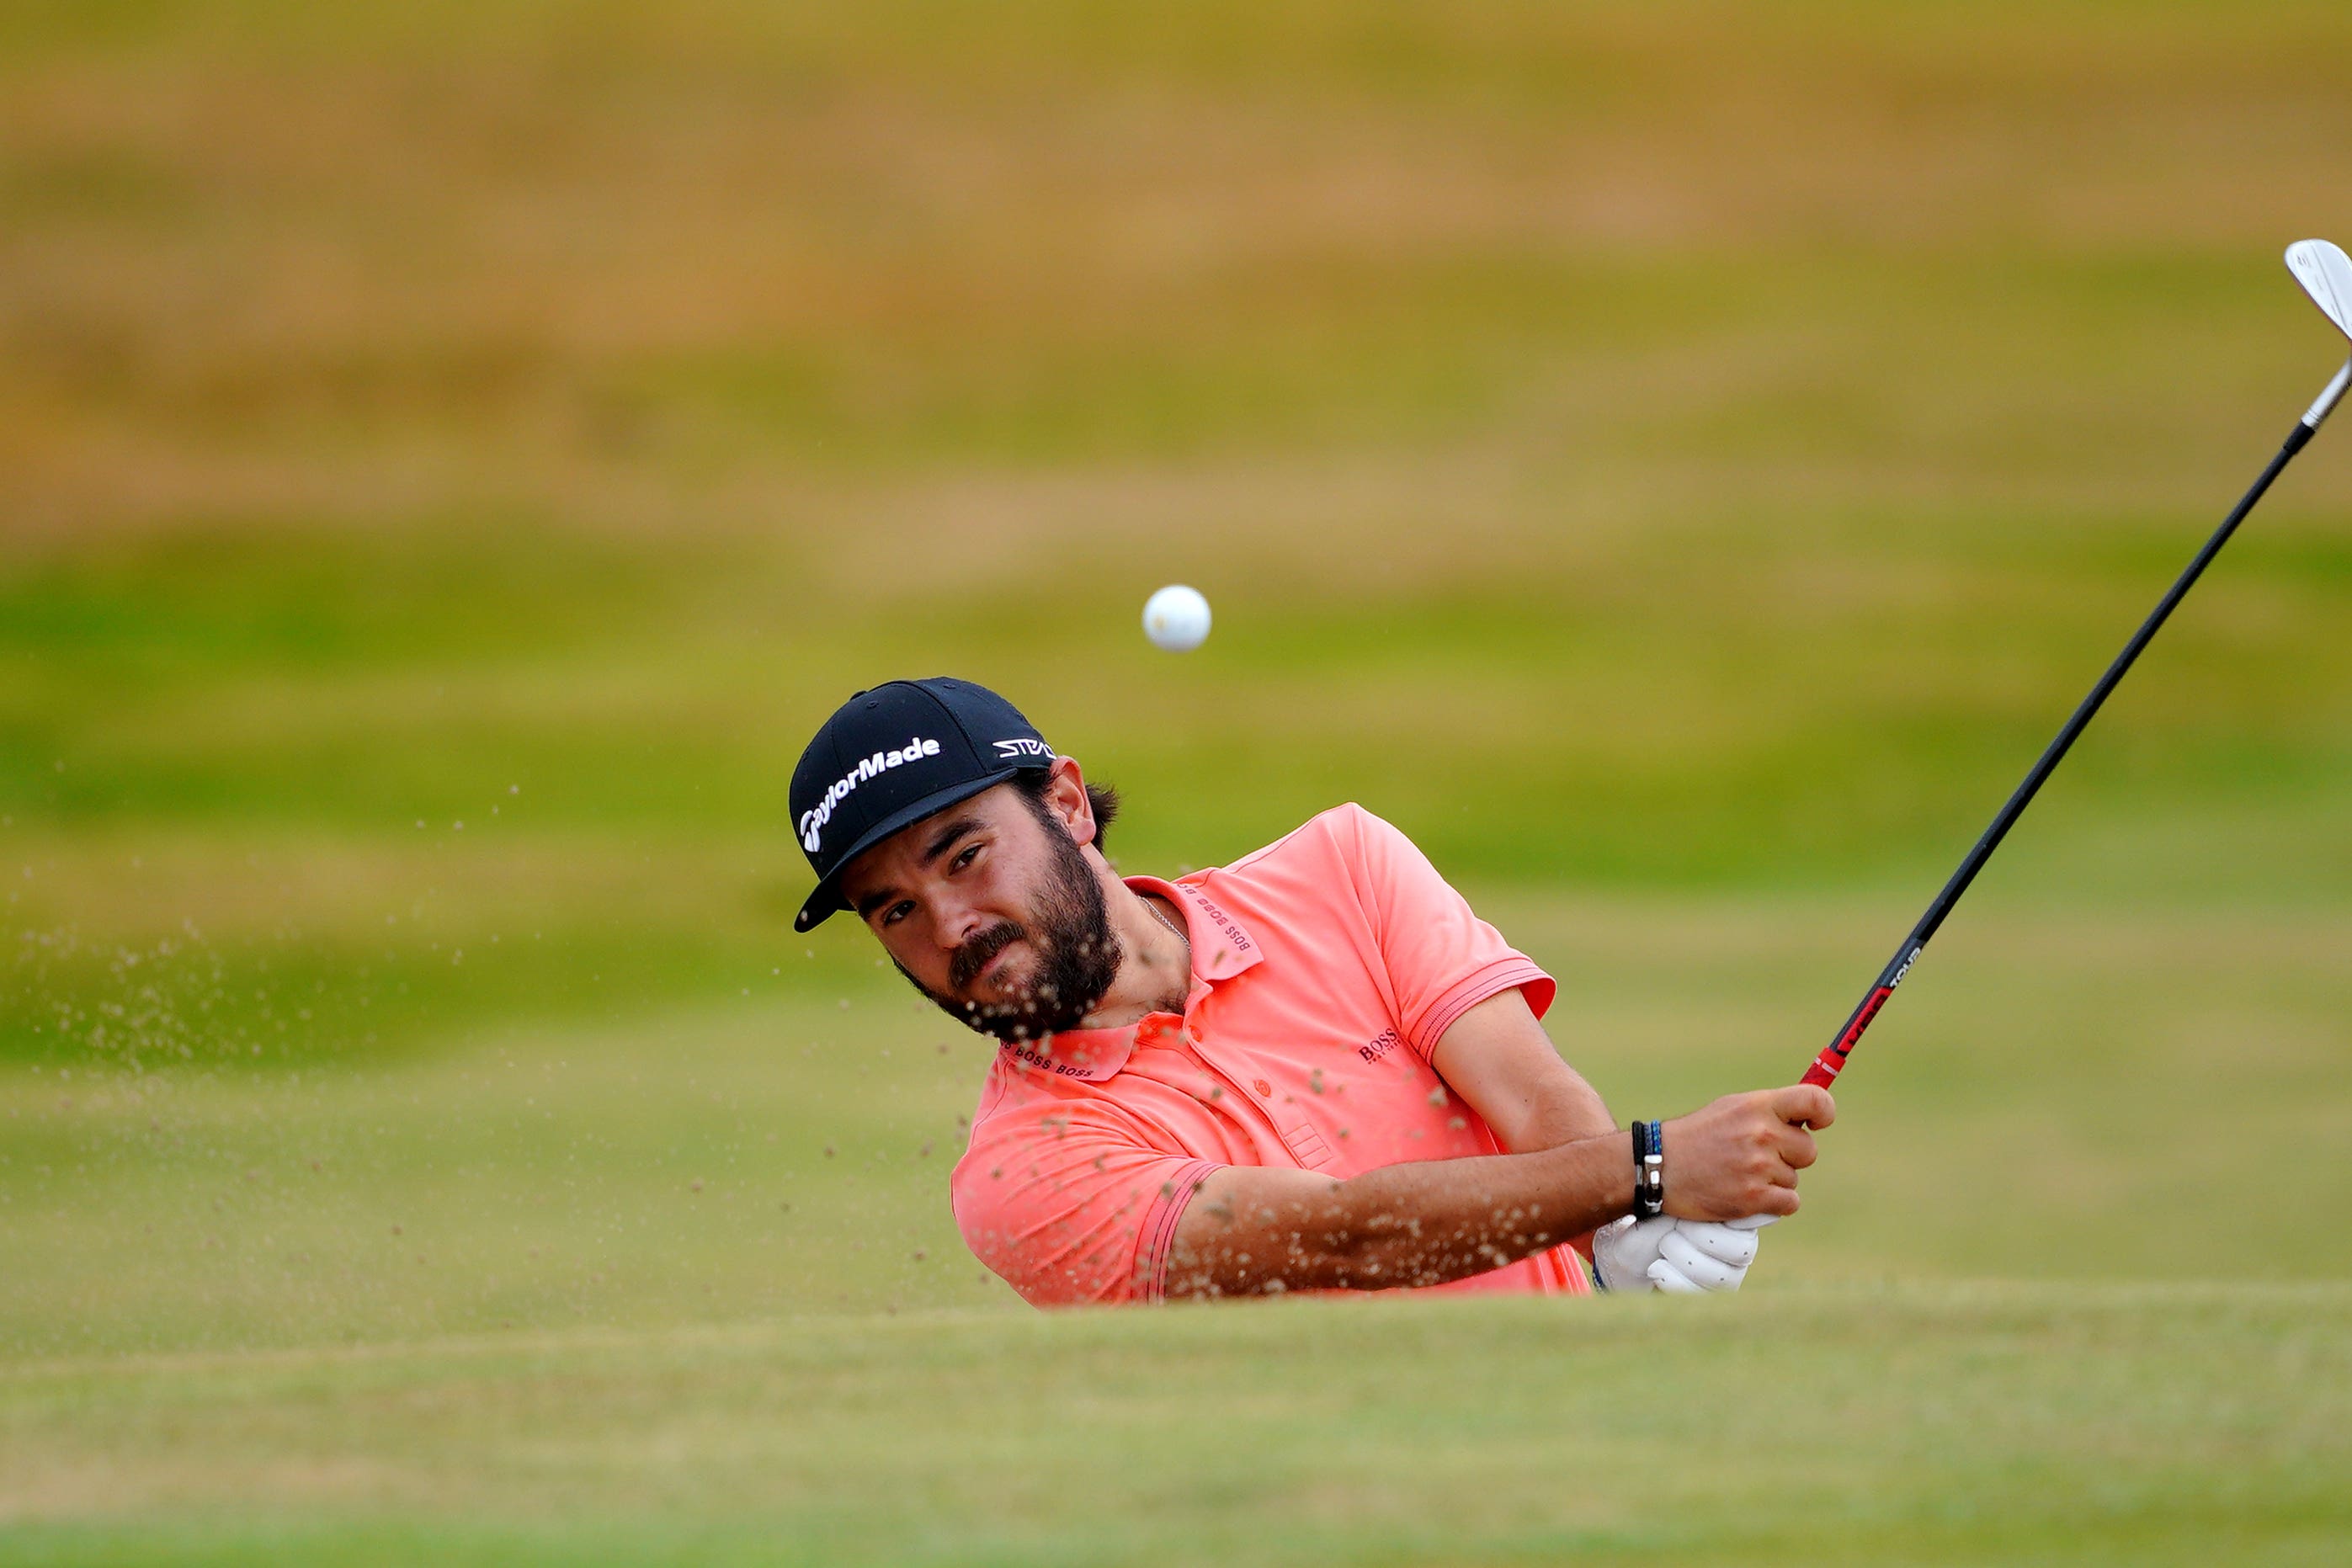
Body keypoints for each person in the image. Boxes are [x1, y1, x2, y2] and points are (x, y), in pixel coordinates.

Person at [791, 678, 1832, 1308]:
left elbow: (1531, 1100)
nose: (949, 926)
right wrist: (1648, 1172)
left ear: (1065, 806)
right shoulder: (1021, 1174)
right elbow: (1350, 1234)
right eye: (893, 912)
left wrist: (1614, 1230)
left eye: (964, 854)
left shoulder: (1343, 867)